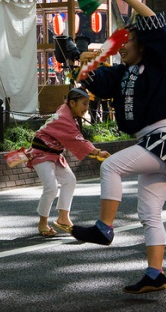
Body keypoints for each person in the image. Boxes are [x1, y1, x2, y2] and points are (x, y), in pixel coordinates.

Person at [70, 0, 166, 294]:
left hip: (165, 137)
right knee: (149, 214)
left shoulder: (158, 62)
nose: (122, 46)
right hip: (155, 142)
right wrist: (82, 61)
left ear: (144, 45)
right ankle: (155, 274)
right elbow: (98, 81)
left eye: (129, 41)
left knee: (110, 167)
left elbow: (155, 26)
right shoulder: (124, 74)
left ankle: (104, 228)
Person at [26, 88, 110, 237]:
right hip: (40, 153)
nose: (86, 108)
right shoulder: (64, 118)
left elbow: (75, 139)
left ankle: (63, 217)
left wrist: (94, 152)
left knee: (69, 180)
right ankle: (42, 223)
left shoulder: (66, 110)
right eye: (84, 104)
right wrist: (97, 152)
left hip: (53, 154)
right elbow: (77, 140)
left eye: (87, 104)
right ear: (72, 103)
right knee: (51, 187)